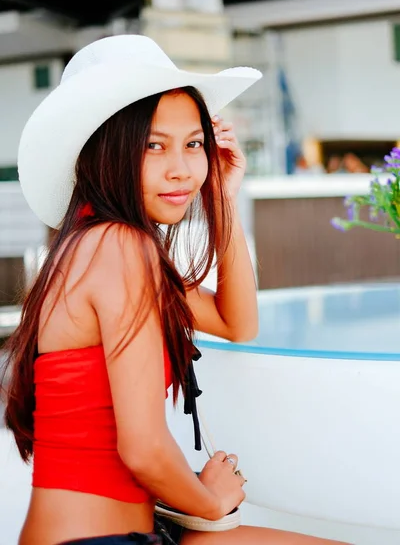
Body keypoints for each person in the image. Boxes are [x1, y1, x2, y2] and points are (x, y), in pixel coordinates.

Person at [1, 35, 348, 545]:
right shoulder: (118, 248)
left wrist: (223, 198)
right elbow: (141, 448)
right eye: (153, 145)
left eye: (193, 144)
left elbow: (238, 324)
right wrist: (212, 500)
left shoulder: (98, 246)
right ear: (106, 152)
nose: (182, 169)